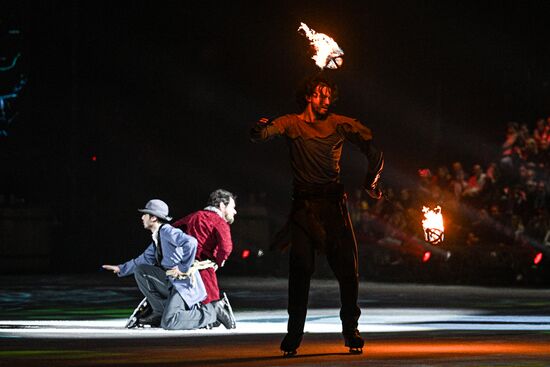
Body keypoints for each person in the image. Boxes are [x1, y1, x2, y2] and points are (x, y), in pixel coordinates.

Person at [250, 75, 384, 355]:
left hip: (334, 208)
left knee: (349, 272)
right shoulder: (292, 123)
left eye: (328, 96)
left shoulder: (338, 124)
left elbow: (373, 148)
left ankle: (351, 331)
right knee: (300, 272)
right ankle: (293, 336)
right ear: (308, 96)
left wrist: (371, 182)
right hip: (304, 210)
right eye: (319, 95)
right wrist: (259, 128)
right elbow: (263, 133)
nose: (325, 100)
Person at [102, 199, 234, 330]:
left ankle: (213, 310)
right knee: (141, 270)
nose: (142, 217)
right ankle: (160, 312)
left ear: (153, 218)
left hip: (183, 285)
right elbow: (142, 260)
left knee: (170, 322)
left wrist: (183, 267)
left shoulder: (167, 231)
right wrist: (121, 268)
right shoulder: (157, 236)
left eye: (145, 215)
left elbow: (191, 242)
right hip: (171, 282)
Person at [172, 189, 236, 306]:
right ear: (222, 206)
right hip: (204, 270)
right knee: (211, 304)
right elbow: (226, 247)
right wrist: (218, 261)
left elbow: (169, 231)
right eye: (232, 207)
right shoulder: (219, 222)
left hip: (183, 268)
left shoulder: (193, 216)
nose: (235, 211)